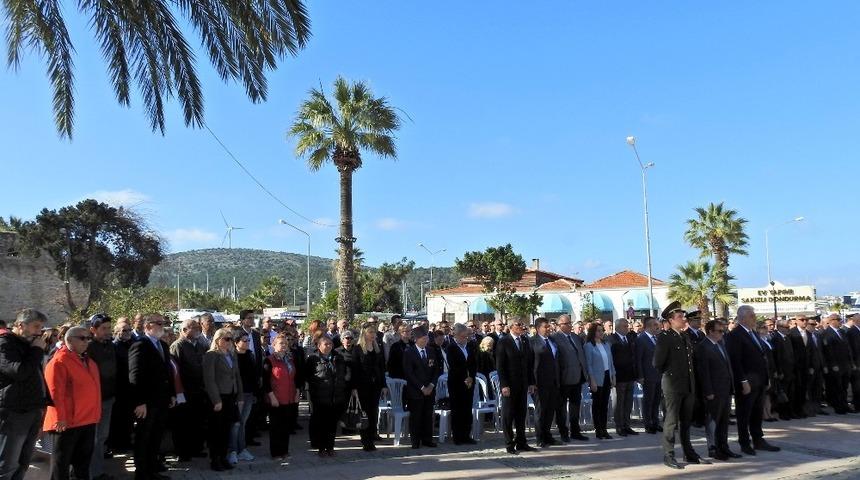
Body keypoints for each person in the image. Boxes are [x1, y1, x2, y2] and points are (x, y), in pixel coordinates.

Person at [43, 326, 101, 480]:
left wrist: (96, 414)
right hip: (67, 422)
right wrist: (60, 418)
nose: (86, 341)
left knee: (82, 465)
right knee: (60, 465)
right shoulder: (59, 361)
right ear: (68, 340)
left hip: (87, 419)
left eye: (88, 338)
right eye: (82, 338)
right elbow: (55, 393)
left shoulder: (89, 361)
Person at [654, 302, 706, 469]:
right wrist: (670, 375)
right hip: (673, 385)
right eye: (680, 317)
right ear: (670, 319)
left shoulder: (684, 336)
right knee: (671, 422)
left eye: (683, 316)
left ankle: (689, 452)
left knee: (686, 421)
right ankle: (669, 455)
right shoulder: (664, 337)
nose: (683, 319)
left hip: (687, 385)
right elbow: (657, 363)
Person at [0, 309, 49, 480]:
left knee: (23, 461)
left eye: (41, 327)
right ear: (21, 325)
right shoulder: (5, 344)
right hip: (15, 412)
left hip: (32, 409)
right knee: (8, 464)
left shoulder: (28, 345)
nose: (39, 332)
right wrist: (36, 351)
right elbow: (19, 372)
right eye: (36, 327)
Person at [726, 306, 780, 456]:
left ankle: (758, 439)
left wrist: (766, 378)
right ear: (742, 317)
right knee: (744, 413)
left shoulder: (753, 333)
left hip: (760, 380)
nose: (754, 317)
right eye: (752, 315)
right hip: (747, 381)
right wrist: (743, 381)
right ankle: (744, 442)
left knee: (757, 412)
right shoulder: (735, 335)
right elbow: (735, 360)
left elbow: (762, 357)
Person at [128, 313, 176, 480]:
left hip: (162, 400)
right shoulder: (140, 345)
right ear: (148, 326)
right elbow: (135, 375)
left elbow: (167, 372)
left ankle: (152, 470)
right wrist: (139, 402)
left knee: (156, 436)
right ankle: (142, 473)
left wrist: (171, 394)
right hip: (146, 402)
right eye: (159, 323)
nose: (162, 326)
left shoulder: (162, 345)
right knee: (144, 437)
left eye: (163, 323)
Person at [695, 320, 738, 461]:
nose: (722, 333)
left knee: (724, 421)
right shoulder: (703, 347)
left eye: (723, 330)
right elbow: (703, 372)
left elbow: (727, 366)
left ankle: (724, 447)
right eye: (719, 331)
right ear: (710, 331)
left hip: (725, 389)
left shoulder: (720, 344)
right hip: (714, 390)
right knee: (713, 420)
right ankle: (713, 448)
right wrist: (708, 391)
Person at [202, 328, 242, 471]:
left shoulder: (231, 355)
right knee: (216, 430)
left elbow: (236, 376)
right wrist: (216, 399)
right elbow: (209, 379)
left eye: (230, 339)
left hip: (230, 396)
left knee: (226, 429)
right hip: (219, 397)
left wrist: (240, 395)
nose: (229, 341)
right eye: (226, 339)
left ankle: (223, 457)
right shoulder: (211, 355)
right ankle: (215, 459)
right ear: (218, 340)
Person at [168, 317, 207, 462]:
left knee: (197, 422)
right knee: (183, 424)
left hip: (199, 390)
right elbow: (175, 371)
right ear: (184, 330)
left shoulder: (200, 345)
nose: (198, 330)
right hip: (185, 391)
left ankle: (196, 448)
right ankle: (182, 451)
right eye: (194, 328)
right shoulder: (178, 346)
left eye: (198, 327)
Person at [495, 318, 536, 454]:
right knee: (508, 414)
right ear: (511, 327)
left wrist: (531, 382)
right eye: (518, 325)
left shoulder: (524, 340)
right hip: (510, 384)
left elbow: (529, 364)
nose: (521, 327)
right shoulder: (504, 341)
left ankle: (521, 441)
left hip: (522, 383)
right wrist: (504, 385)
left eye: (522, 324)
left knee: (521, 413)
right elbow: (500, 366)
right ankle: (509, 443)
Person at [305, 335, 349, 456]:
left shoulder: (338, 357)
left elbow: (343, 374)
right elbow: (308, 377)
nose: (329, 346)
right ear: (319, 346)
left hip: (335, 396)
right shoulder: (313, 359)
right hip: (320, 397)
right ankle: (321, 447)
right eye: (326, 344)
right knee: (321, 424)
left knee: (332, 424)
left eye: (330, 344)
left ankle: (330, 447)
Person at [86, 314, 118, 480]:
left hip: (108, 399)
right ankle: (92, 473)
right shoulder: (88, 348)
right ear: (93, 330)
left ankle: (97, 471)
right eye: (103, 328)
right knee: (93, 439)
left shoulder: (110, 345)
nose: (108, 331)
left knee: (102, 438)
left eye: (109, 328)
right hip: (93, 401)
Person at [551, 314, 588, 442]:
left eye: (570, 323)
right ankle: (563, 432)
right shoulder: (554, 338)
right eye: (566, 324)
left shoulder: (576, 337)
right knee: (561, 408)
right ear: (560, 325)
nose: (569, 325)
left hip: (577, 377)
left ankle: (575, 431)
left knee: (575, 406)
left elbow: (581, 356)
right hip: (563, 379)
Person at [263, 334, 299, 461]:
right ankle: (276, 452)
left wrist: (296, 393)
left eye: (285, 343)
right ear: (274, 345)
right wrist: (272, 397)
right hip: (276, 398)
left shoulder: (290, 359)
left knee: (286, 426)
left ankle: (284, 450)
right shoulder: (269, 360)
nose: (283, 345)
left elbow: (295, 378)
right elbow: (266, 382)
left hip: (289, 397)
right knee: (276, 427)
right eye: (280, 343)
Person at [403, 327, 440, 449]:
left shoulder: (431, 351)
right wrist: (421, 387)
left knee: (428, 415)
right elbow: (409, 373)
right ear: (416, 339)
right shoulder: (409, 352)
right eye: (423, 339)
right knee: (416, 416)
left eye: (426, 338)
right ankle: (415, 440)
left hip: (429, 390)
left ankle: (427, 439)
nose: (425, 341)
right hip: (415, 390)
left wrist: (431, 385)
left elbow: (435, 370)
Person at [355, 324, 387, 450]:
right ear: (364, 334)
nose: (373, 334)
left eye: (374, 332)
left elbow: (381, 368)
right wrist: (354, 388)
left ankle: (372, 436)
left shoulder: (377, 349)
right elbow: (355, 369)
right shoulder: (357, 349)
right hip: (363, 386)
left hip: (376, 386)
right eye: (370, 332)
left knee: (373, 412)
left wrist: (383, 385)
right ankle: (365, 440)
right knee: (365, 413)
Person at [529, 317, 560, 447]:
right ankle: (540, 437)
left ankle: (547, 435)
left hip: (553, 381)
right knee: (540, 411)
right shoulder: (532, 342)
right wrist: (531, 382)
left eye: (549, 327)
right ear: (537, 328)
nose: (548, 329)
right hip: (539, 382)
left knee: (550, 410)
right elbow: (529, 363)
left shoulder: (552, 340)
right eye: (545, 327)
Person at [446, 323, 477, 445]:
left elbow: (473, 363)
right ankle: (458, 436)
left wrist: (471, 377)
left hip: (468, 382)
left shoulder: (469, 347)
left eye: (467, 336)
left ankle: (466, 435)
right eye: (464, 336)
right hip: (457, 383)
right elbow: (454, 366)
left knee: (467, 408)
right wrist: (465, 377)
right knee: (457, 409)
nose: (466, 338)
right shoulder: (451, 347)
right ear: (457, 335)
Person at [231, 328, 259, 464]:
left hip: (248, 393)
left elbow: (254, 375)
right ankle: (232, 451)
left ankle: (242, 449)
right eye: (244, 340)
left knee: (242, 423)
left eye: (248, 340)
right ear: (236, 342)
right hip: (237, 395)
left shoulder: (250, 355)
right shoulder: (231, 356)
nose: (248, 342)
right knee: (235, 423)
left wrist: (254, 393)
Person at [584, 322, 615, 440]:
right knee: (597, 404)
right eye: (598, 330)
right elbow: (589, 364)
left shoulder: (606, 344)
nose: (601, 333)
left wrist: (613, 376)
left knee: (605, 404)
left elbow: (610, 362)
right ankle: (598, 429)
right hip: (597, 377)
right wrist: (592, 380)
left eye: (602, 330)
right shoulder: (589, 346)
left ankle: (604, 428)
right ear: (593, 332)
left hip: (607, 375)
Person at [607, 318, 638, 437]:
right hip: (619, 377)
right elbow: (611, 359)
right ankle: (619, 426)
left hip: (630, 375)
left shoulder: (629, 338)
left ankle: (627, 425)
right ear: (618, 327)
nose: (628, 328)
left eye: (628, 326)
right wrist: (612, 375)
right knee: (619, 402)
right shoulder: (611, 339)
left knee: (628, 402)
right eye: (625, 326)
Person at [108, 319, 134, 453]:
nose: (127, 333)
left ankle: (126, 441)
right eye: (124, 330)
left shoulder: (132, 344)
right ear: (117, 332)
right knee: (117, 418)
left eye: (129, 330)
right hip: (119, 387)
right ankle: (115, 444)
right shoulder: (113, 346)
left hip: (130, 388)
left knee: (128, 417)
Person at [821, 313, 853, 414]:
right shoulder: (827, 333)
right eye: (838, 320)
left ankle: (844, 405)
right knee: (837, 387)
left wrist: (850, 362)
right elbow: (828, 351)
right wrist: (833, 365)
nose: (840, 321)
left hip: (845, 364)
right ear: (832, 321)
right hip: (835, 365)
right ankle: (838, 406)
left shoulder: (842, 332)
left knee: (844, 386)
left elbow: (848, 348)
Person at [635, 317, 662, 434]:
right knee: (648, 400)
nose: (658, 327)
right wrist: (640, 376)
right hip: (648, 375)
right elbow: (638, 359)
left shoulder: (656, 338)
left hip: (658, 374)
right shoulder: (641, 339)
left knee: (656, 400)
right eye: (655, 325)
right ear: (649, 326)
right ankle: (648, 423)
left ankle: (655, 422)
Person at [771, 318, 797, 420]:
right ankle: (783, 412)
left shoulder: (787, 338)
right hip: (783, 371)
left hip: (790, 370)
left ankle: (790, 411)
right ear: (780, 327)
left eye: (788, 327)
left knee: (790, 392)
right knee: (783, 392)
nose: (788, 329)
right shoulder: (776, 338)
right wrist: (779, 371)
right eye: (786, 327)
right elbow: (777, 357)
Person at [788, 315, 811, 418]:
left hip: (806, 366)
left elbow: (811, 351)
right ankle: (794, 410)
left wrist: (811, 365)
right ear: (796, 321)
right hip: (795, 367)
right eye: (802, 320)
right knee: (796, 389)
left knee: (803, 389)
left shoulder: (809, 333)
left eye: (806, 320)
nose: (804, 322)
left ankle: (801, 409)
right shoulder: (791, 333)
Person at [844, 313, 860, 412]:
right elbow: (851, 349)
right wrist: (853, 363)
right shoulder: (852, 332)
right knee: (857, 386)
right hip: (857, 364)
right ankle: (858, 406)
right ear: (856, 321)